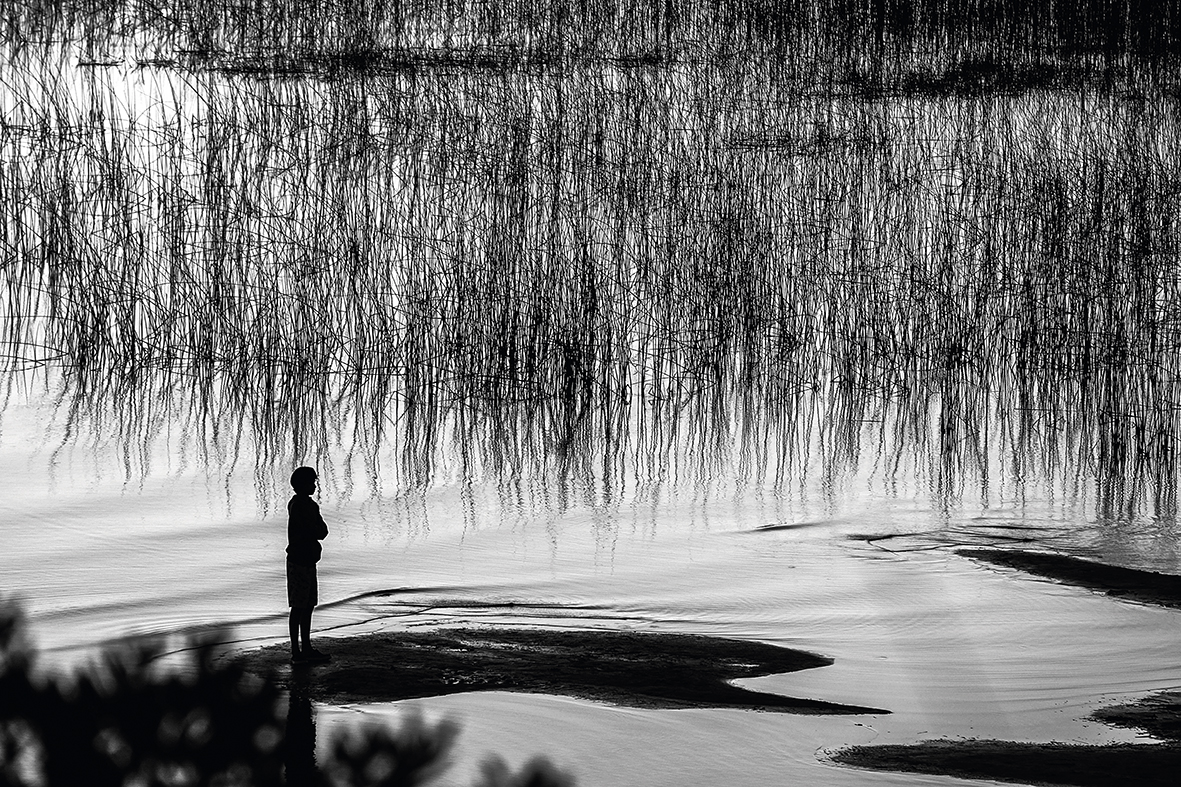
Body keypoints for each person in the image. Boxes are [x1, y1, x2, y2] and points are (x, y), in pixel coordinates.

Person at [286, 466, 330, 664]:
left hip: (307, 561)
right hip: (299, 561)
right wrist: (315, 529)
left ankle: (305, 647)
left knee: (307, 604)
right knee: (299, 606)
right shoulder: (301, 506)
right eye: (312, 482)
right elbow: (318, 530)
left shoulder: (305, 505)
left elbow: (321, 530)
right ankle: (297, 651)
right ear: (303, 485)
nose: (314, 486)